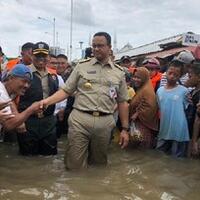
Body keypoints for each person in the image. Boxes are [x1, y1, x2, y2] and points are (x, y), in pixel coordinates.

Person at [40, 32, 129, 169]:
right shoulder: (82, 66)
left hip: (105, 122)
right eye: (94, 46)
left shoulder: (119, 72)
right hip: (80, 119)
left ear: (109, 47)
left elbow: (122, 102)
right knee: (73, 164)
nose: (96, 49)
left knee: (99, 165)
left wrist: (125, 129)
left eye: (100, 46)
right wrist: (47, 101)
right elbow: (66, 90)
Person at [17, 42, 59, 156]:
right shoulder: (23, 72)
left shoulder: (54, 75)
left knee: (49, 157)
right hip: (28, 121)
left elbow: (63, 93)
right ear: (31, 56)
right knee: (27, 158)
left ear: (49, 57)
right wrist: (19, 121)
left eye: (44, 56)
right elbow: (12, 98)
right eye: (37, 55)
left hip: (48, 121)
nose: (41, 59)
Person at [156, 60, 190, 157]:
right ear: (165, 73)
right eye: (170, 73)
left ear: (180, 76)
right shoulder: (159, 91)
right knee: (159, 158)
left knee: (177, 162)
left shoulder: (184, 91)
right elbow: (159, 109)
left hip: (179, 133)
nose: (172, 76)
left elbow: (189, 110)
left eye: (176, 74)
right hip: (164, 130)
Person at [0, 64, 40, 132]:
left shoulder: (8, 94)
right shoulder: (1, 93)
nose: (26, 85)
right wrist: (31, 109)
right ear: (10, 78)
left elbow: (20, 126)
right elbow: (9, 125)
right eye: (24, 81)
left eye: (29, 82)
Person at [129, 67, 159, 148]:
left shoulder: (147, 90)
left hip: (144, 126)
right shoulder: (141, 89)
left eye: (138, 77)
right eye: (134, 77)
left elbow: (150, 106)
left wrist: (137, 113)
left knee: (142, 150)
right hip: (137, 126)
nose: (135, 79)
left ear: (145, 78)